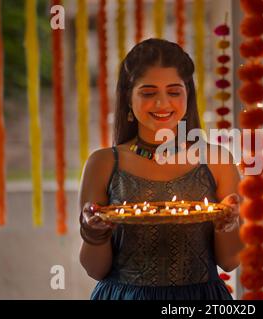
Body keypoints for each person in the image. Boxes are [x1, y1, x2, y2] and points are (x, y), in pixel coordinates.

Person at [78, 38, 243, 300]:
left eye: (174, 91)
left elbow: (231, 261)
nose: (162, 103)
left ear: (188, 95)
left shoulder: (216, 160)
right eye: (148, 92)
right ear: (128, 98)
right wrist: (93, 233)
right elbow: (94, 269)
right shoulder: (104, 163)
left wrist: (228, 225)